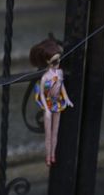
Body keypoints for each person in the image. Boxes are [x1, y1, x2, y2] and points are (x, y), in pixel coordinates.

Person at [30, 37, 73, 167]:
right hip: (48, 104)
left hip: (58, 103)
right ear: (47, 61)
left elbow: (62, 87)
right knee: (48, 135)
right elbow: (42, 94)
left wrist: (67, 99)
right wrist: (46, 108)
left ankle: (53, 154)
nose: (57, 63)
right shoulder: (45, 78)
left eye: (58, 59)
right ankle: (48, 156)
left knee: (56, 133)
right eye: (54, 61)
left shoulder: (60, 73)